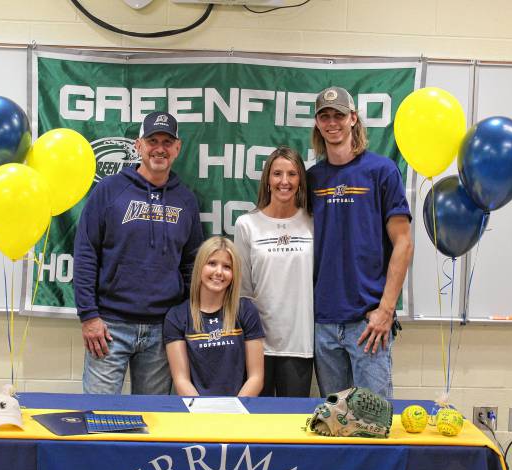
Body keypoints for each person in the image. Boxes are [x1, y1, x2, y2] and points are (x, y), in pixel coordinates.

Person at [73, 111, 204, 395]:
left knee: (153, 420)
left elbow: (193, 263)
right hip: (108, 328)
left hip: (162, 329)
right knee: (99, 416)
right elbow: (85, 253)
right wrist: (88, 316)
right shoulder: (109, 191)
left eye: (167, 142)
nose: (160, 148)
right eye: (152, 140)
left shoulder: (186, 200)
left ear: (178, 148)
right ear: (138, 145)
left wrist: (183, 318)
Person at [308, 86, 414, 398]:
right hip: (324, 323)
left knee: (375, 421)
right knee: (336, 424)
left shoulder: (381, 170)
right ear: (317, 123)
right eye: (324, 116)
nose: (332, 123)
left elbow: (404, 244)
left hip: (368, 323)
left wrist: (385, 310)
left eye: (339, 115)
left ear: (353, 118)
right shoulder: (313, 178)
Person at [234, 146, 314, 397]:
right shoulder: (247, 224)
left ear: (300, 180)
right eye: (277, 173)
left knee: (293, 425)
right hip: (258, 343)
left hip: (300, 343)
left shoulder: (313, 221)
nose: (284, 181)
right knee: (260, 424)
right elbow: (243, 290)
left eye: (292, 174)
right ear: (267, 179)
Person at [163, 236, 265, 397]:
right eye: (212, 263)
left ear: (234, 274)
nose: (219, 272)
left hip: (238, 411)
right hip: (196, 412)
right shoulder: (177, 316)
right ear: (200, 267)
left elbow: (256, 378)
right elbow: (181, 380)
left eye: (227, 267)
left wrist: (232, 411)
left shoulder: (246, 310)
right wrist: (205, 413)